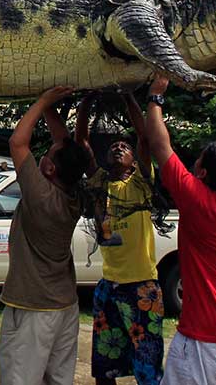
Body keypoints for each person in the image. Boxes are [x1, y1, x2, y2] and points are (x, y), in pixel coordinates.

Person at [143, 70, 216, 385]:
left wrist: (155, 95)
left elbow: (159, 145)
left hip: (207, 344)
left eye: (199, 160)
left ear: (204, 173)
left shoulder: (197, 199)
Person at [0, 86, 89, 385]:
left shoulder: (42, 197)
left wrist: (44, 100)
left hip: (34, 308)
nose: (43, 155)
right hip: (64, 305)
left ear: (48, 168)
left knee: (20, 379)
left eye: (46, 155)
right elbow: (63, 144)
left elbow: (17, 142)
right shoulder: (73, 193)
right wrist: (48, 102)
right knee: (58, 379)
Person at [80, 94, 164, 385]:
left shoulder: (140, 183)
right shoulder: (101, 184)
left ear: (133, 160)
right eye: (114, 146)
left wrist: (129, 96)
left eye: (124, 147)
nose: (118, 147)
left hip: (142, 286)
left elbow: (144, 136)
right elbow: (82, 145)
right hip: (109, 285)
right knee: (105, 364)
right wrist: (86, 104)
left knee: (147, 364)